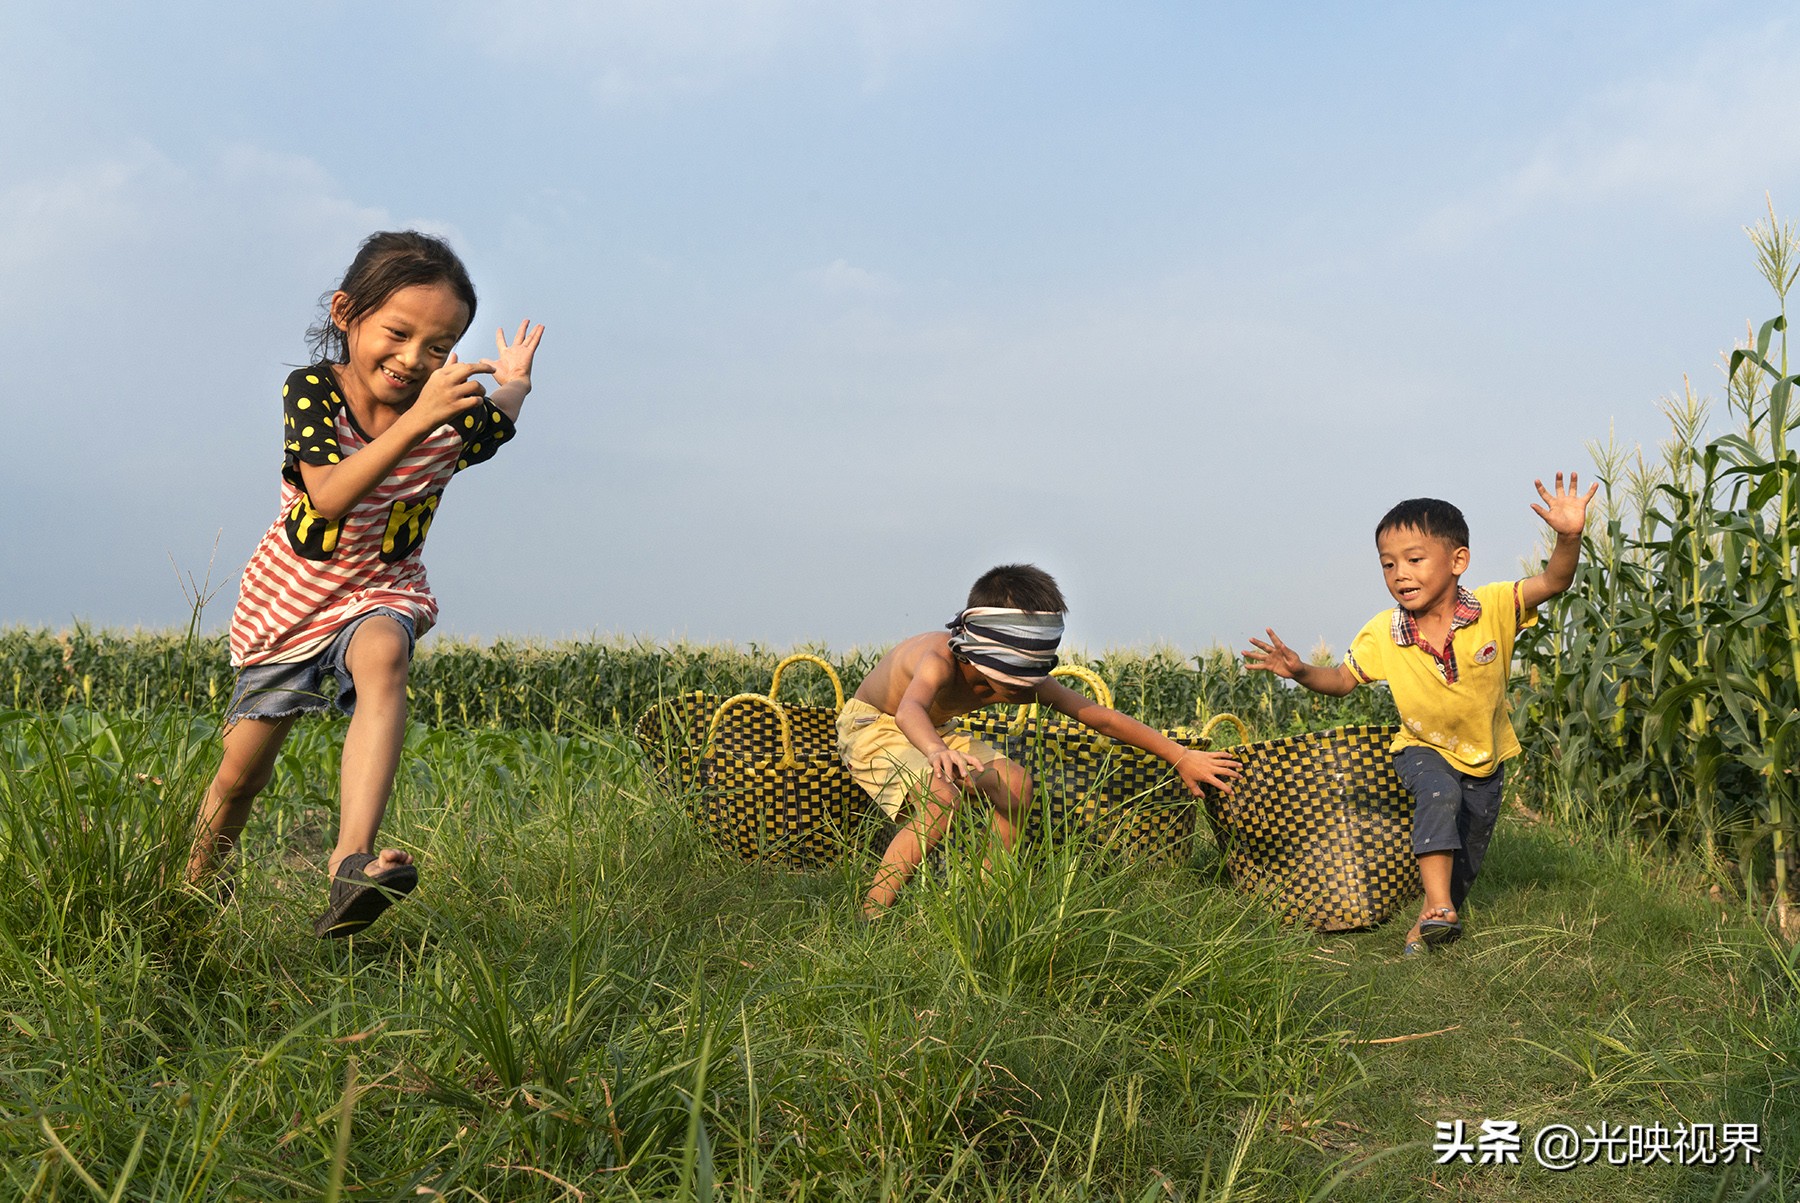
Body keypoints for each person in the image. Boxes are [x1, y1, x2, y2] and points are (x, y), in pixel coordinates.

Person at [187, 230, 545, 938]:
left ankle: (349, 866)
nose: (415, 360)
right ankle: (192, 897)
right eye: (399, 333)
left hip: (381, 588)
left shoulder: (449, 417)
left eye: (439, 348)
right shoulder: (317, 391)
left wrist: (515, 383)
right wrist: (417, 422)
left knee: (384, 653)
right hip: (291, 600)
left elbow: (495, 422)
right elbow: (327, 496)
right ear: (347, 313)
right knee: (237, 783)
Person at [1243, 474, 1595, 955]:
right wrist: (1301, 669)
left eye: (1413, 560)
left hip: (1486, 757)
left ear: (1458, 562)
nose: (1399, 574)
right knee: (1439, 792)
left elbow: (1556, 580)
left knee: (1465, 863)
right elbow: (1343, 681)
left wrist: (1568, 536)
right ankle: (1435, 904)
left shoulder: (1495, 606)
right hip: (1421, 747)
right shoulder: (1385, 631)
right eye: (1388, 565)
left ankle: (1429, 924)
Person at [841, 564, 1241, 918]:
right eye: (1013, 679)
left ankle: (981, 899)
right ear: (978, 653)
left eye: (1030, 679)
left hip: (936, 731)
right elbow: (910, 710)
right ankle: (872, 913)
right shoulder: (939, 660)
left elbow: (1101, 718)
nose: (1021, 691)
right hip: (874, 725)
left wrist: (1180, 756)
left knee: (1016, 785)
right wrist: (936, 752)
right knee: (942, 796)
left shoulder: (1025, 680)